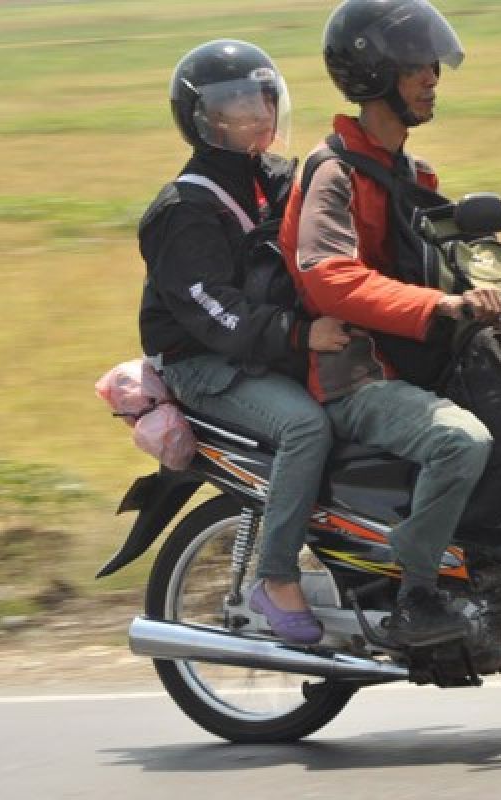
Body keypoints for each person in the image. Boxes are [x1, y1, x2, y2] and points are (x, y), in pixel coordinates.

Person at [279, 0, 501, 646]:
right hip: (357, 377)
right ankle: (417, 593)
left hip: (415, 362)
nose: (432, 77)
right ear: (375, 75)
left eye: (433, 64)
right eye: (415, 66)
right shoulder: (334, 174)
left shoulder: (411, 174)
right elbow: (328, 274)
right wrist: (435, 307)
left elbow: (454, 267)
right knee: (459, 441)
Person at [138, 39, 351, 645]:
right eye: (234, 102)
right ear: (201, 118)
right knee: (306, 427)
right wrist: (301, 333)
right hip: (204, 363)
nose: (255, 112)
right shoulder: (185, 209)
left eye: (260, 97)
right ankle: (275, 578)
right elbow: (214, 314)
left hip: (260, 347)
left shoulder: (271, 179)